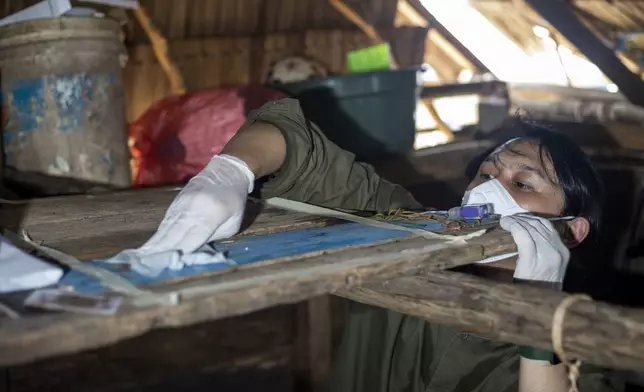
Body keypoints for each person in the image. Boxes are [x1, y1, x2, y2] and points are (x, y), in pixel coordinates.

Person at [132, 98, 622, 392]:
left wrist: (538, 317)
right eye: (486, 173)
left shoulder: (590, 343)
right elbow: (298, 146)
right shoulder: (406, 227)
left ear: (570, 230)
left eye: (523, 183)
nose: (488, 190)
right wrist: (229, 171)